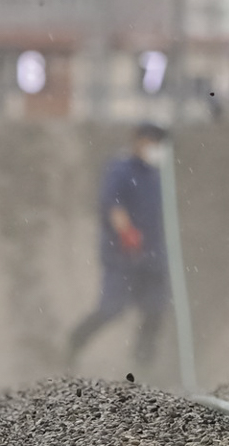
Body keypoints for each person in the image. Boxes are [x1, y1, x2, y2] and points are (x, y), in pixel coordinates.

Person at [66, 123, 171, 371]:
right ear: (138, 140)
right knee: (111, 308)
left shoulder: (158, 175)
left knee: (155, 311)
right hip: (122, 256)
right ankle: (75, 342)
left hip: (153, 256)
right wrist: (126, 232)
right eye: (151, 142)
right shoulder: (121, 169)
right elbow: (112, 204)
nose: (155, 148)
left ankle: (142, 364)